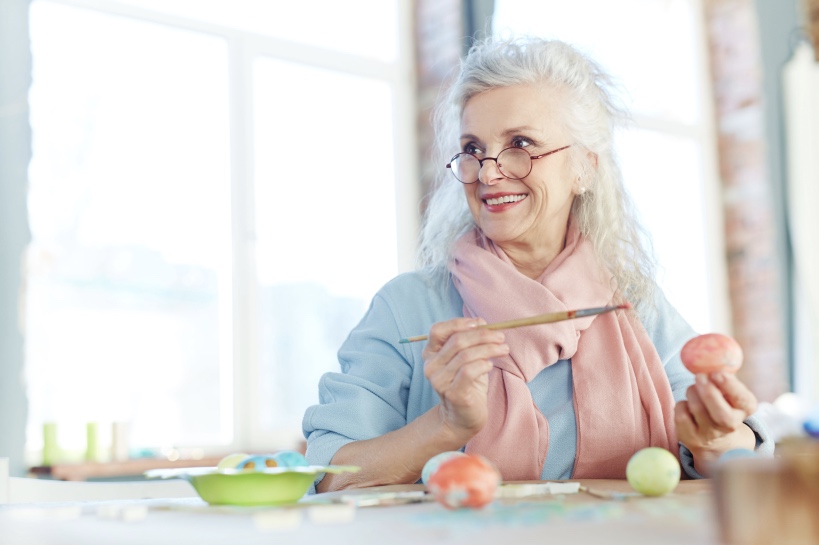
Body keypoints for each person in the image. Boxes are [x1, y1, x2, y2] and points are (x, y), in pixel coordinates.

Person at [302, 35, 772, 492]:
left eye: (521, 144)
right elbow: (327, 473)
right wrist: (444, 425)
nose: (488, 173)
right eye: (472, 149)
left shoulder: (635, 306)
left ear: (585, 167)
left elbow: (733, 453)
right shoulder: (409, 306)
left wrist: (717, 438)